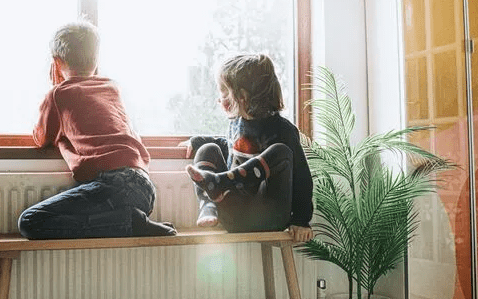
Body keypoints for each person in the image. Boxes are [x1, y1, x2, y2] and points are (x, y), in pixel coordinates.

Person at [18, 19, 176, 239]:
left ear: (56, 62)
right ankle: (128, 220)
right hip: (144, 187)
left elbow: (41, 138)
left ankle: (128, 223)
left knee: (30, 221)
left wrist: (55, 91)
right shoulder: (112, 87)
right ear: (96, 59)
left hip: (114, 185)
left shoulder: (59, 94)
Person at [185, 53, 313, 242]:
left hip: (270, 216)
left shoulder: (283, 130)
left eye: (223, 92)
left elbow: (302, 178)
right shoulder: (236, 125)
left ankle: (220, 182)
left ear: (242, 97)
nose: (219, 100)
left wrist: (302, 220)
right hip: (234, 215)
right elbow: (228, 146)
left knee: (281, 152)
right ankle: (208, 203)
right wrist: (198, 141)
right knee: (208, 149)